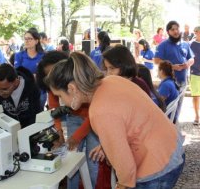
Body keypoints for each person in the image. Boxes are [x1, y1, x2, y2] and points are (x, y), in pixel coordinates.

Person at [46, 52, 185, 189]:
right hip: (171, 146)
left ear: (71, 88)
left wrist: (121, 185)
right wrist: (109, 142)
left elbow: (126, 169)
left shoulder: (99, 112)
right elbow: (129, 118)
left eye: (59, 95)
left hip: (157, 165)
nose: (61, 101)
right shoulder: (112, 80)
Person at [37, 51, 99, 189]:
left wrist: (75, 137)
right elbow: (54, 110)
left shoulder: (86, 87)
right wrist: (58, 132)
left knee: (92, 162)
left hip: (94, 121)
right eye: (48, 74)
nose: (52, 77)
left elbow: (94, 117)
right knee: (71, 162)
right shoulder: (54, 85)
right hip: (74, 118)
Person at [154, 21, 194, 122]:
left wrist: (188, 63)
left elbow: (192, 58)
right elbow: (156, 60)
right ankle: (167, 126)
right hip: (170, 82)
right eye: (173, 29)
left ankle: (174, 125)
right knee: (166, 107)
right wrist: (172, 67)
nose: (176, 31)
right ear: (168, 32)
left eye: (177, 29)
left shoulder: (185, 44)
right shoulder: (163, 45)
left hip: (183, 81)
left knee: (178, 107)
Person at [0, 63, 41, 128]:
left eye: (4, 89)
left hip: (29, 128)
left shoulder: (31, 87)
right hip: (7, 129)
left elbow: (36, 113)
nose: (0, 93)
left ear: (16, 82)